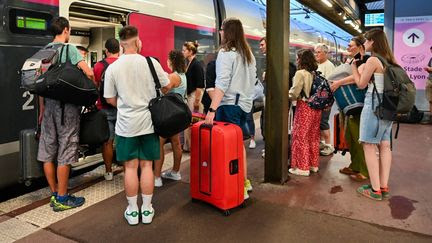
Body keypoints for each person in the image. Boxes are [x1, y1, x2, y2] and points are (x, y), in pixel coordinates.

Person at [104, 26, 170, 225]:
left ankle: (133, 212)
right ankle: (147, 210)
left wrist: (125, 105)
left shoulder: (113, 67)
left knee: (130, 168)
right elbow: (166, 87)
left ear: (121, 44)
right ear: (137, 41)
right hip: (149, 124)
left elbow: (109, 98)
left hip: (126, 126)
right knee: (147, 165)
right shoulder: (150, 63)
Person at [37, 17, 94, 211]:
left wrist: (42, 110)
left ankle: (54, 193)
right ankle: (62, 198)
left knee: (47, 152)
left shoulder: (45, 51)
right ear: (67, 30)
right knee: (66, 150)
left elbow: (40, 85)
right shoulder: (69, 50)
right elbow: (90, 73)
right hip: (67, 109)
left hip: (49, 109)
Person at [204, 18, 256, 199]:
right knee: (238, 145)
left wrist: (211, 110)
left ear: (227, 32)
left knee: (228, 149)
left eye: (222, 30)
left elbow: (222, 83)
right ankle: (244, 181)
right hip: (244, 106)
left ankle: (236, 188)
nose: (219, 32)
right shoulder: (247, 54)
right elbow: (252, 81)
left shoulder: (226, 53)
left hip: (229, 106)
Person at [351, 28, 395, 201]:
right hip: (389, 105)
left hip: (374, 105)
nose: (365, 44)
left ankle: (375, 190)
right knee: (384, 145)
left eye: (367, 41)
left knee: (369, 145)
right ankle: (383, 186)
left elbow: (361, 84)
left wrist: (354, 67)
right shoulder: (390, 60)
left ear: (373, 42)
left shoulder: (373, 60)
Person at [331, 36, 369, 181]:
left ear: (360, 46)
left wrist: (338, 82)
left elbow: (357, 78)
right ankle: (354, 165)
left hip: (360, 103)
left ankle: (364, 170)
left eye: (351, 45)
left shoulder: (365, 60)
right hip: (350, 103)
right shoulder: (353, 60)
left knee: (359, 137)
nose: (348, 47)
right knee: (350, 136)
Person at [154, 50, 187, 187]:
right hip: (179, 113)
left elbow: (164, 90)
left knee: (159, 143)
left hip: (169, 114)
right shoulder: (183, 75)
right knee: (176, 143)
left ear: (171, 61)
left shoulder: (173, 76)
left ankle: (157, 178)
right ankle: (175, 172)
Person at [288, 49, 321, 176]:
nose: (297, 61)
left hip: (304, 108)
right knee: (313, 136)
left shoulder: (300, 73)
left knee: (300, 136)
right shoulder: (315, 73)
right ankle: (313, 165)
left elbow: (295, 92)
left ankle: (302, 167)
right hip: (316, 109)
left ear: (301, 60)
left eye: (298, 58)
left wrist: (286, 95)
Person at [93, 38, 120, 181]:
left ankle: (109, 172)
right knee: (123, 139)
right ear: (119, 50)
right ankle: (127, 167)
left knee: (107, 142)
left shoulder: (98, 66)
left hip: (104, 107)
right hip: (122, 107)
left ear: (106, 51)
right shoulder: (123, 64)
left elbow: (95, 86)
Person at [182, 41, 205, 152]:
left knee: (194, 123)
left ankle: (194, 147)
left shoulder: (196, 65)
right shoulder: (191, 63)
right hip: (191, 96)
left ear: (190, 51)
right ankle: (189, 146)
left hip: (194, 97)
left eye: (184, 50)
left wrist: (196, 101)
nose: (183, 52)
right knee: (190, 122)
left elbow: (200, 84)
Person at [314, 44, 335, 156]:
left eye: (318, 52)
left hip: (325, 100)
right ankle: (322, 143)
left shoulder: (329, 66)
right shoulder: (318, 65)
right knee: (319, 122)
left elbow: (330, 85)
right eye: (315, 52)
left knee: (323, 122)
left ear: (325, 53)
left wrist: (328, 102)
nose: (316, 54)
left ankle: (329, 145)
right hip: (318, 99)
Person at [424, 46, 432, 123]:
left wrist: (430, 69)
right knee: (430, 100)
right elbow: (429, 68)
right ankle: (431, 118)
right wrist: (427, 69)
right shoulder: (431, 59)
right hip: (430, 80)